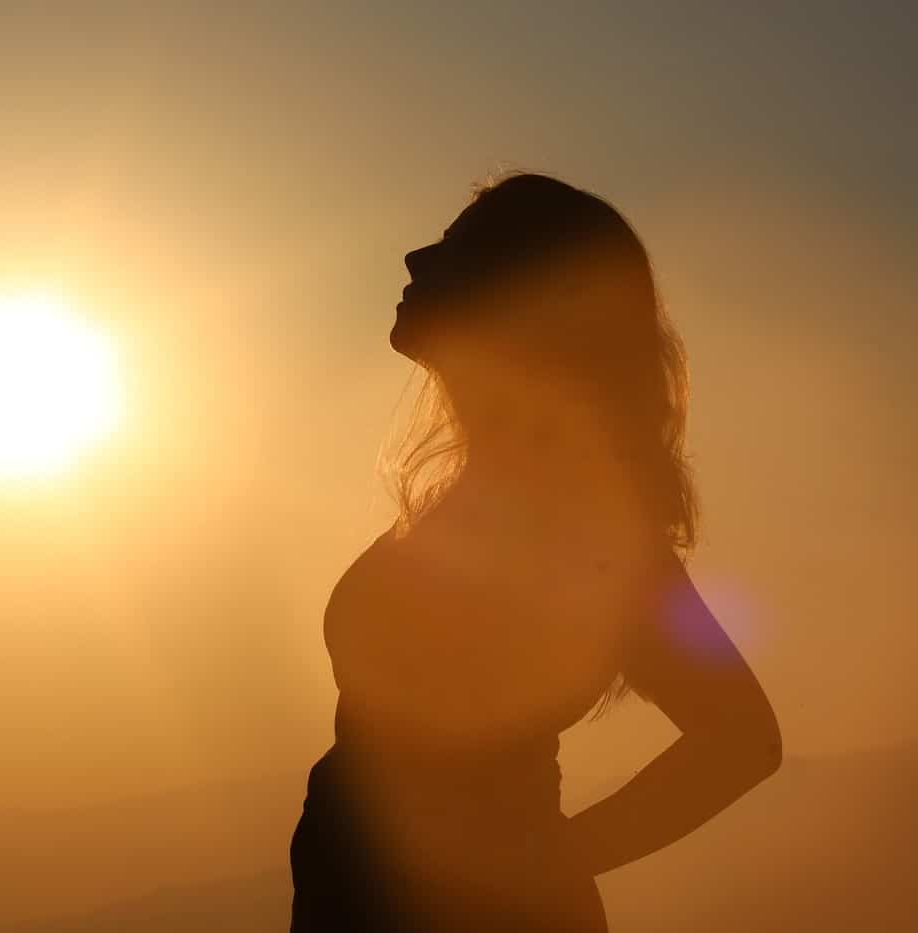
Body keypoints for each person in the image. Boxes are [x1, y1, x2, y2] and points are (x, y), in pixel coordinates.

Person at [289, 172, 782, 932]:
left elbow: (742, 738)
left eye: (455, 252)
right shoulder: (492, 494)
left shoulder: (573, 516)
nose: (416, 259)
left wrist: (552, 861)